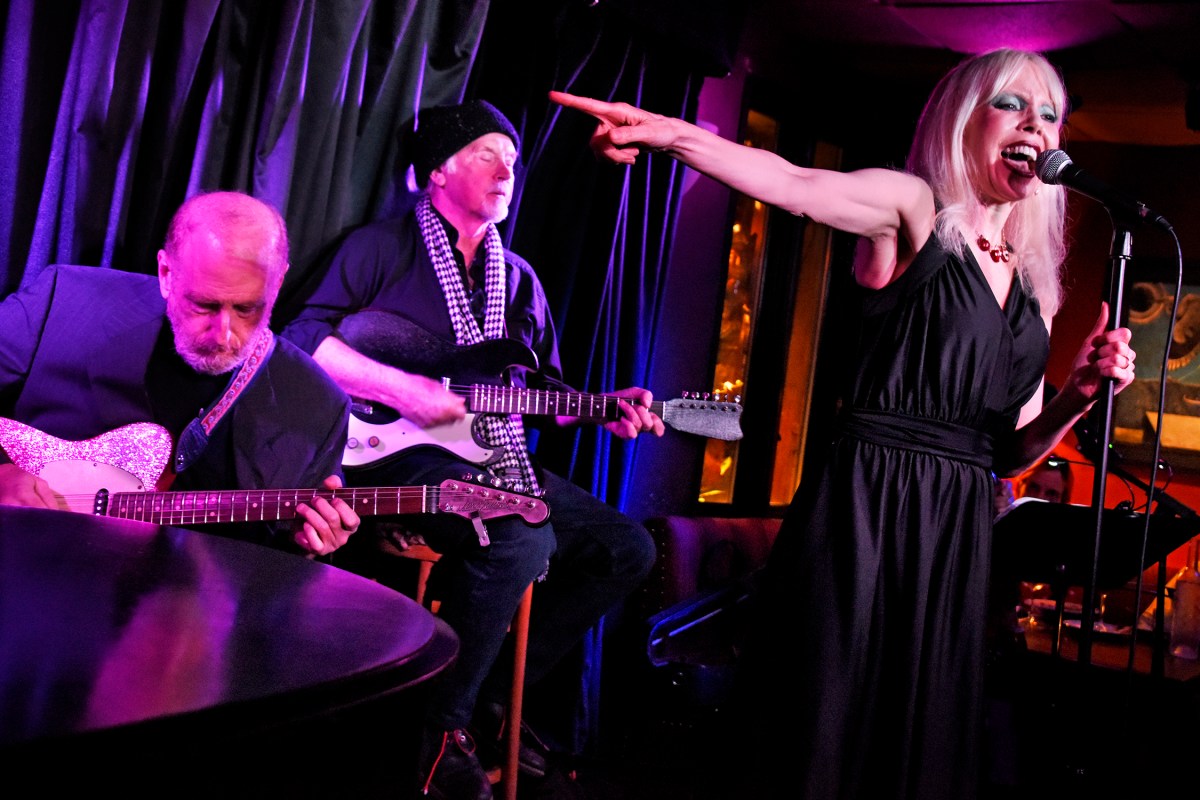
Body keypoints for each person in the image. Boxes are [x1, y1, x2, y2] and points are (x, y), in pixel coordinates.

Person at [552, 47, 1137, 799]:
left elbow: (1010, 452)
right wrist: (670, 134)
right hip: (868, 500)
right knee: (825, 718)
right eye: (1012, 105)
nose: (1035, 126)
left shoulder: (1035, 287)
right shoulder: (914, 208)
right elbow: (794, 183)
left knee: (917, 735)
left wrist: (1078, 395)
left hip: (956, 529)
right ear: (964, 118)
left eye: (1049, 115)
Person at [281, 100, 663, 799]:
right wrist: (405, 388)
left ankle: (479, 691)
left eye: (511, 159)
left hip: (495, 456)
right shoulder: (379, 250)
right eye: (488, 155)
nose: (506, 171)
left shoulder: (517, 280)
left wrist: (602, 409)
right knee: (520, 537)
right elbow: (301, 340)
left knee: (627, 549)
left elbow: (539, 394)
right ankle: (439, 733)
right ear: (437, 171)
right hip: (395, 454)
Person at [0, 191, 359, 556]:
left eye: (247, 308)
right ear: (166, 273)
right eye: (204, 305)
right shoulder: (65, 301)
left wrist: (311, 544)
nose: (223, 335)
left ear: (278, 282)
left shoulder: (319, 406)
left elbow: (286, 563)